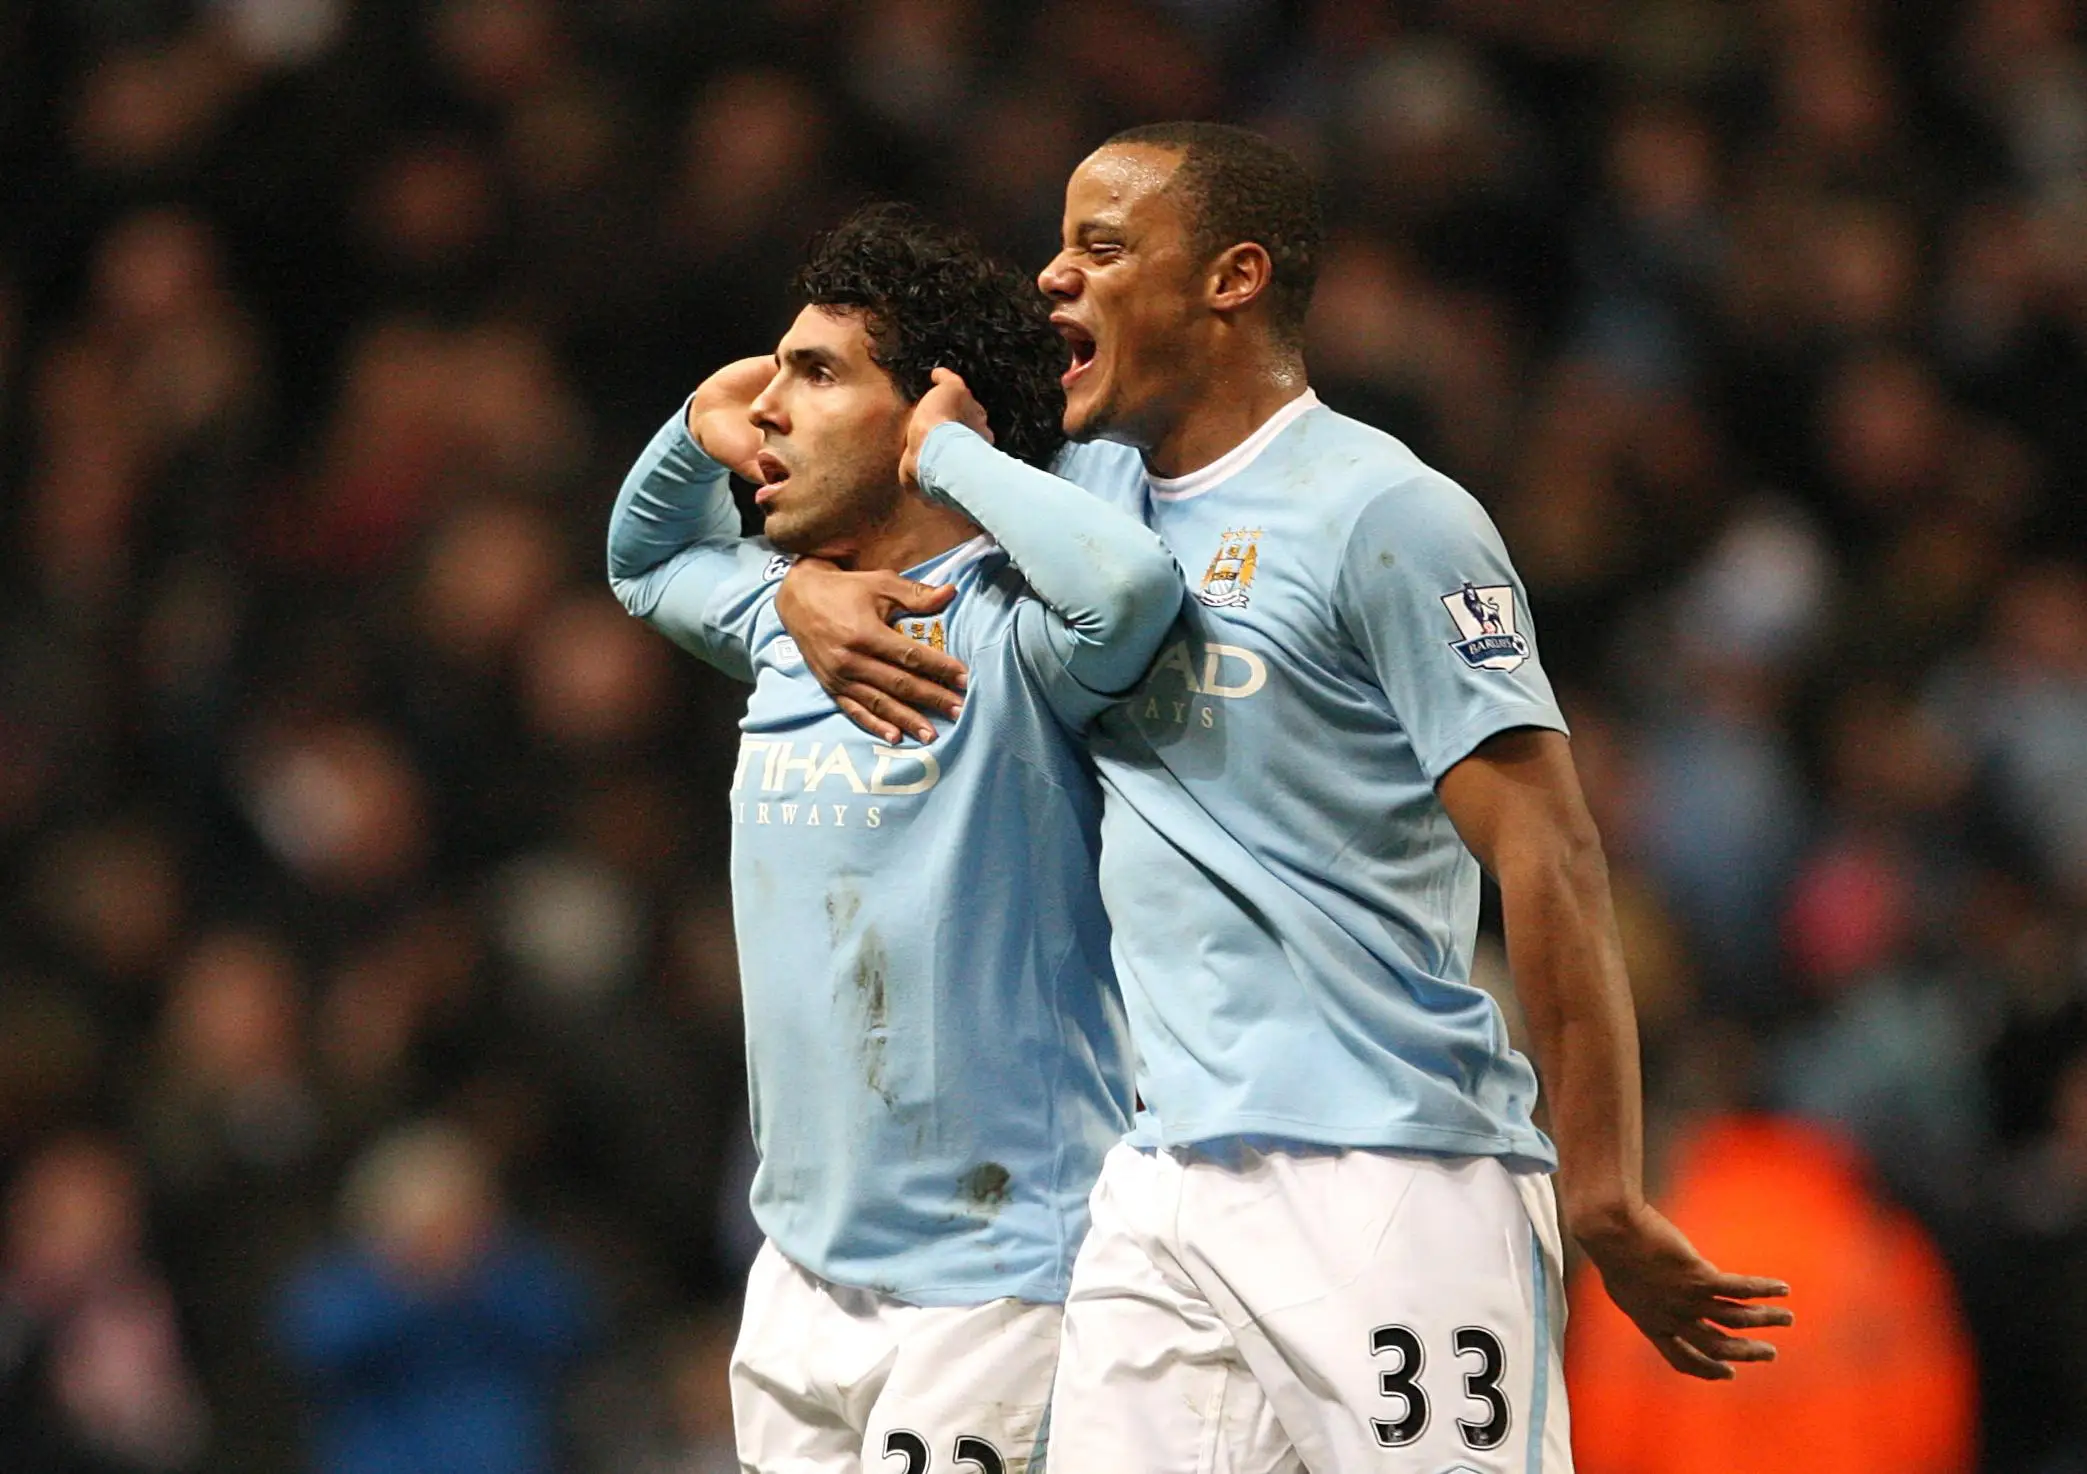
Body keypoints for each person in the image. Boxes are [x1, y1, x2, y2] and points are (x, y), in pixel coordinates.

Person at [774, 124, 1795, 1471]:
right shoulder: (1074, 496)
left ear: (1229, 277)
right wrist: (801, 588)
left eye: (1099, 245)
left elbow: (1547, 854)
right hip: (1157, 1181)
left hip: (1388, 1173)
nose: (1050, 279)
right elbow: (777, 437)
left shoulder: (1385, 516)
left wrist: (1599, 1181)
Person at [604, 203, 1182, 1470]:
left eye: (815, 374)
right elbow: (642, 563)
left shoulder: (1017, 640)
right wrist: (694, 428)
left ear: (922, 411)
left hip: (994, 1284)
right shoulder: (783, 619)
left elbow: (1135, 590)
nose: (771, 407)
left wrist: (955, 463)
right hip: (799, 1278)